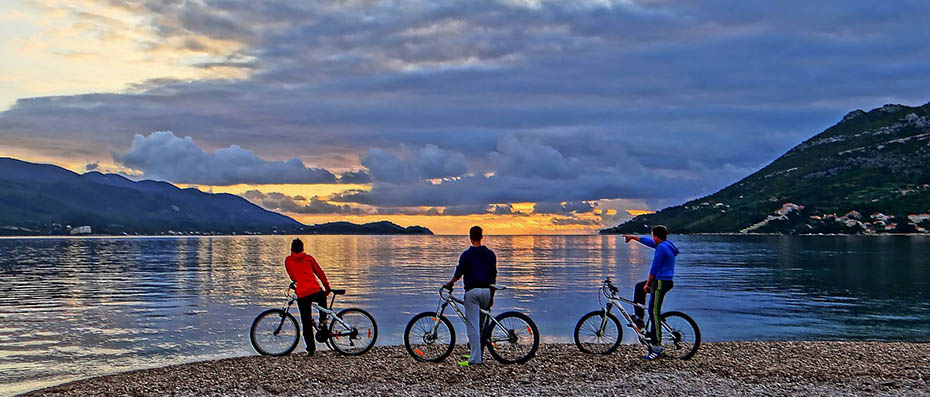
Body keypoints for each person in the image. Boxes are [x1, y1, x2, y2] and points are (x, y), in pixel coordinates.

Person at [623, 225, 679, 360]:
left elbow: (655, 268)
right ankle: (639, 318)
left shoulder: (661, 248)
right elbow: (649, 242)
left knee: (654, 314)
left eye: (652, 235)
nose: (652, 238)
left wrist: (648, 284)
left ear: (656, 236)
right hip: (663, 281)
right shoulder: (666, 244)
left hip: (660, 283)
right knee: (639, 287)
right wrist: (633, 238)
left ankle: (657, 348)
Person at [443, 225, 496, 366]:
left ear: (470, 237)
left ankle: (475, 360)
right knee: (481, 326)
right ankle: (476, 352)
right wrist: (492, 296)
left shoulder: (466, 255)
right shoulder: (490, 254)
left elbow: (458, 273)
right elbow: (493, 276)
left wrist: (450, 283)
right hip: (487, 291)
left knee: (473, 326)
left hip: (472, 293)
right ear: (481, 237)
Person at [284, 238, 332, 356]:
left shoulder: (288, 260)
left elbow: (293, 277)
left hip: (302, 294)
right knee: (322, 298)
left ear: (291, 249)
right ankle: (323, 322)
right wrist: (327, 287)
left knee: (306, 322)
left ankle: (311, 350)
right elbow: (320, 273)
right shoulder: (309, 258)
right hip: (315, 291)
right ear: (303, 248)